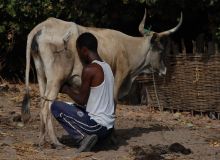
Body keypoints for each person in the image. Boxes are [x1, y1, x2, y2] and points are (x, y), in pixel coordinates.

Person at [51, 32, 115, 152]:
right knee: (69, 106)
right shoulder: (107, 67)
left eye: (78, 51)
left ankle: (83, 138)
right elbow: (91, 99)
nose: (79, 56)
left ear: (84, 50)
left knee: (56, 106)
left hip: (97, 126)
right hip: (108, 129)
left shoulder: (90, 69)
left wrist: (66, 89)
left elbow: (82, 100)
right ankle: (101, 140)